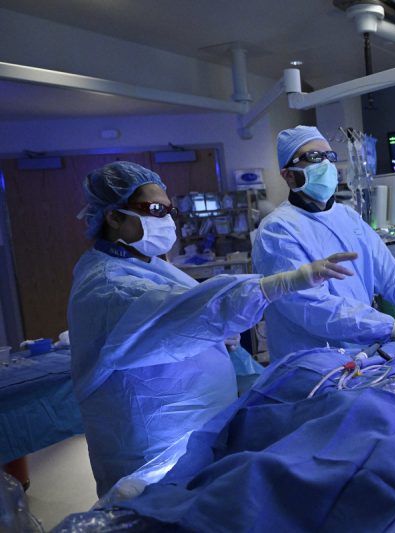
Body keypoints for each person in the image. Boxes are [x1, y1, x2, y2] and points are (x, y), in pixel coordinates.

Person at [68, 161, 356, 496]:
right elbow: (186, 311)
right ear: (113, 216)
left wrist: (214, 336)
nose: (166, 219)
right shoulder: (106, 285)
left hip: (193, 431)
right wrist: (286, 282)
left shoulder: (144, 263)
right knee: (153, 512)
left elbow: (179, 318)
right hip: (151, 444)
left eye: (169, 210)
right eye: (154, 209)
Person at [252, 125, 395, 360]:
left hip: (359, 357)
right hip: (310, 366)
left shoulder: (347, 217)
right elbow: (314, 309)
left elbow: (393, 277)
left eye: (329, 156)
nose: (326, 164)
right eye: (314, 157)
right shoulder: (277, 231)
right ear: (288, 174)